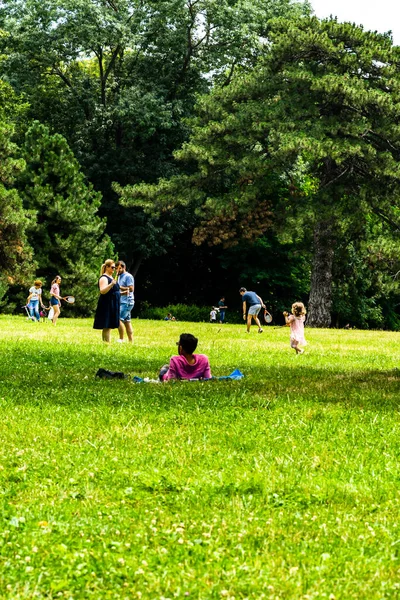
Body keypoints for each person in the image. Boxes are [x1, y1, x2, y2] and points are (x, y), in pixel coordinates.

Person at [93, 259, 121, 343]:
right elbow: (102, 291)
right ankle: (106, 344)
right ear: (107, 267)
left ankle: (107, 343)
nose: (114, 269)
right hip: (107, 303)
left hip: (113, 303)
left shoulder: (111, 277)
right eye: (112, 267)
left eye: (115, 268)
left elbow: (114, 291)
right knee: (106, 325)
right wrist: (111, 284)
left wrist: (122, 293)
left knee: (109, 325)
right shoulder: (104, 278)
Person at [116, 261, 134, 343]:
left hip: (127, 302)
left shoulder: (128, 276)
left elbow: (131, 288)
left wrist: (119, 287)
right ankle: (131, 341)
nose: (117, 270)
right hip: (122, 301)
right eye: (116, 269)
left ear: (123, 267)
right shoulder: (119, 276)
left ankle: (121, 339)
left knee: (118, 319)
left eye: (118, 268)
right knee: (127, 322)